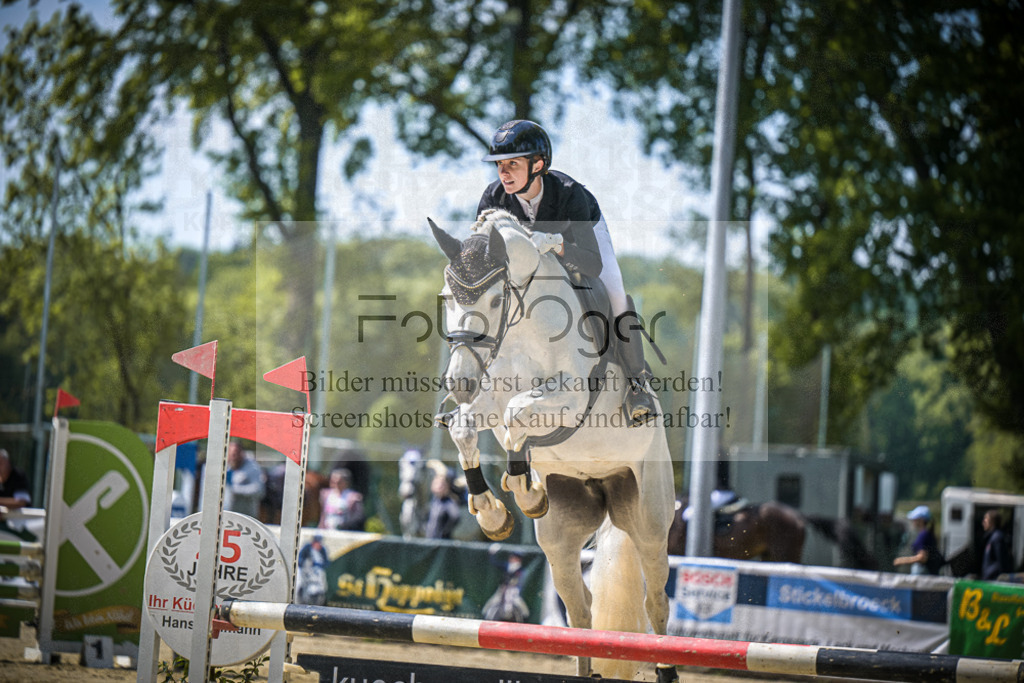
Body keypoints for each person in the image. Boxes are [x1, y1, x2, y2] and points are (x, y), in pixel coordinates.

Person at [477, 119, 656, 425]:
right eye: (499, 165)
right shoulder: (494, 198)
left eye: (512, 164)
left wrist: (558, 246)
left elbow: (592, 264)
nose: (503, 172)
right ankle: (474, 385)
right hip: (532, 252)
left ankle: (637, 383)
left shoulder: (570, 194)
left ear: (538, 164)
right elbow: (484, 258)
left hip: (579, 240)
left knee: (614, 293)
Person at [894, 505, 942, 575]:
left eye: (914, 519)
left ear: (921, 521)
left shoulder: (923, 535)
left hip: (925, 574)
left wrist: (901, 560)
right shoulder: (928, 534)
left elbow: (922, 558)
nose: (912, 521)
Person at [223, 441, 265, 519]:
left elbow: (259, 490)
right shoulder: (225, 467)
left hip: (246, 517)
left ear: (241, 453)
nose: (233, 457)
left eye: (235, 454)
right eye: (230, 454)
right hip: (226, 516)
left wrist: (235, 490)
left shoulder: (253, 468)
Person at [423, 469, 462, 540]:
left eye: (442, 484)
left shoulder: (449, 502)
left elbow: (455, 517)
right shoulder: (433, 501)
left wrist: (444, 532)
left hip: (443, 543)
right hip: (430, 541)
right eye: (436, 483)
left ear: (447, 486)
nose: (439, 486)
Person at [980, 510, 1013, 581]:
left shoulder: (997, 537)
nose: (983, 522)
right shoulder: (992, 537)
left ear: (992, 522)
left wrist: (1001, 578)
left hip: (994, 580)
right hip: (989, 579)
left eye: (985, 519)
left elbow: (1002, 561)